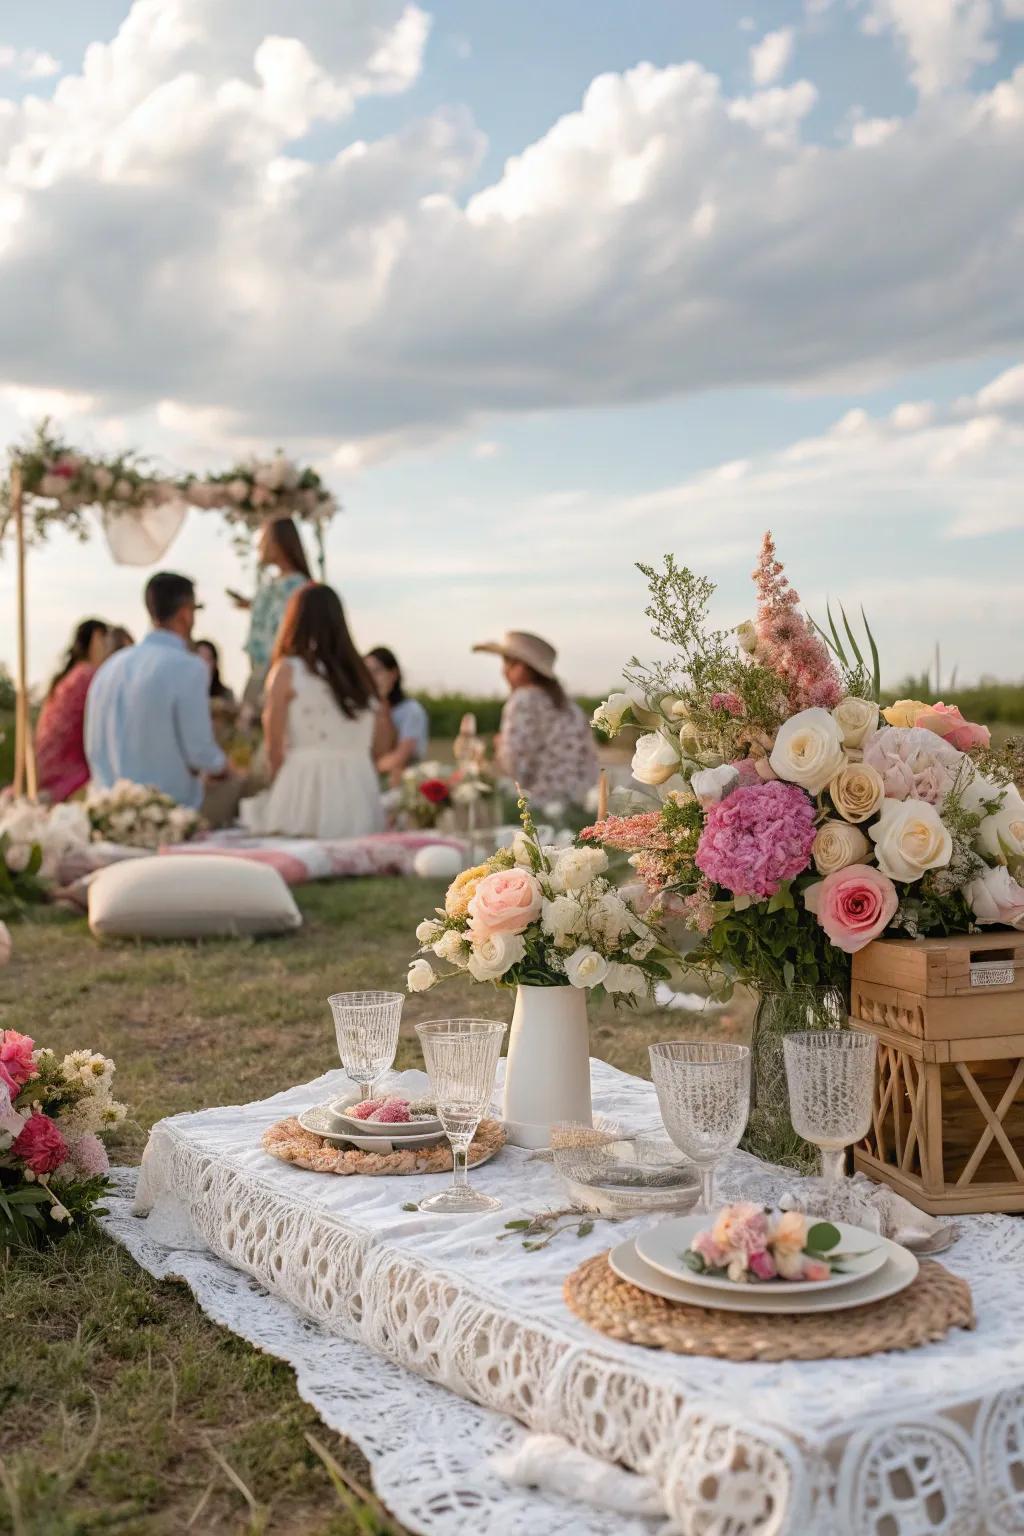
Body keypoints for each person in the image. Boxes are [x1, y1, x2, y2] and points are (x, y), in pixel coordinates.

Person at [240, 584, 386, 838]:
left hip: (304, 789)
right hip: (359, 791)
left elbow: (274, 746)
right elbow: (379, 744)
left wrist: (278, 788)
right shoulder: (360, 674)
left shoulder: (288, 670)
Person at [85, 573, 230, 810]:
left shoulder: (108, 670)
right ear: (185, 613)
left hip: (108, 812)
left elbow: (93, 749)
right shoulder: (189, 667)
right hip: (170, 814)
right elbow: (200, 751)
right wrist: (227, 767)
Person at [472, 630, 598, 807]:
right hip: (581, 805)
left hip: (541, 808)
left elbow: (515, 768)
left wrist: (500, 748)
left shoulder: (523, 700)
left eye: (507, 663)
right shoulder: (569, 706)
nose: (504, 671)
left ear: (521, 667)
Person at [229, 516, 312, 713]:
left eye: (264, 538)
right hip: (260, 670)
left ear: (278, 542)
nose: (259, 545)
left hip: (279, 673)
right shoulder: (273, 585)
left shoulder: (299, 588)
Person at [35, 619, 111, 801]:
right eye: (107, 641)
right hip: (71, 780)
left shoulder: (66, 678)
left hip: (45, 774)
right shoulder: (89, 677)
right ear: (97, 639)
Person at [365, 646, 428, 784]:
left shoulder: (411, 711)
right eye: (366, 672)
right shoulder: (367, 710)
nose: (371, 678)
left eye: (377, 671)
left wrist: (363, 771)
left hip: (405, 783)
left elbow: (400, 756)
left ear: (393, 674)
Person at [195, 640, 236, 706]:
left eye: (207, 659)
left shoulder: (225, 694)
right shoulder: (183, 692)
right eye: (199, 659)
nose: (203, 664)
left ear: (215, 663)